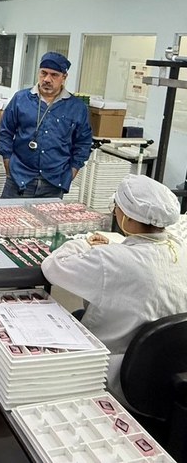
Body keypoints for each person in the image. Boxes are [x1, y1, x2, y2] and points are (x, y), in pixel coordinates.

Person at [42, 174, 187, 406]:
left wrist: (85, 243)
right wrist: (113, 248)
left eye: (116, 208)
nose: (114, 212)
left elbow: (53, 267)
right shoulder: (180, 249)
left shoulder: (111, 261)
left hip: (114, 374)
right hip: (168, 377)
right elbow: (142, 260)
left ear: (127, 218)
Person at [0, 51, 92, 198]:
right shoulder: (21, 99)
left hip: (55, 182)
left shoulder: (77, 108)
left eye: (54, 75)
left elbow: (83, 143)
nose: (47, 79)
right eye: (44, 73)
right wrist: (8, 163)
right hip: (19, 178)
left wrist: (72, 170)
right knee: (6, 219)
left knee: (46, 221)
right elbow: (6, 132)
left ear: (64, 77)